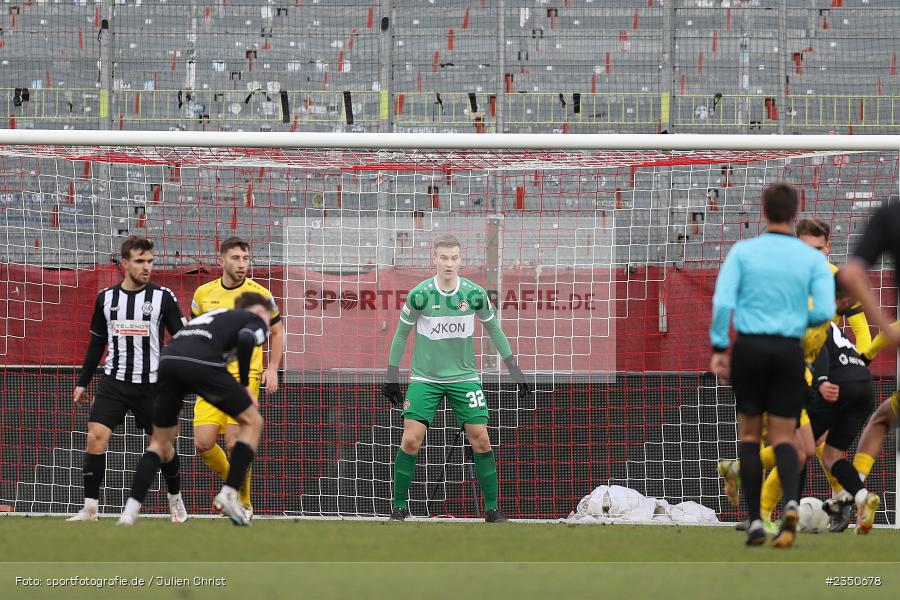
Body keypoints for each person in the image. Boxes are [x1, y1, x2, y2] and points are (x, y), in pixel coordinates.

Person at [710, 183, 834, 547]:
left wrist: (719, 347)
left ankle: (754, 521)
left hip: (749, 349)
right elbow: (826, 311)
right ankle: (792, 504)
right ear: (795, 213)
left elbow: (722, 302)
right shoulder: (812, 259)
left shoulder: (744, 251)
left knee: (749, 437)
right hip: (788, 352)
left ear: (763, 211)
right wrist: (797, 320)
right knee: (784, 438)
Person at [382, 234, 531, 522]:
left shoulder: (474, 294)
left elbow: (494, 329)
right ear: (434, 259)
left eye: (454, 258)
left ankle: (492, 510)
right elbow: (401, 334)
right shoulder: (420, 295)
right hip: (425, 379)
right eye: (444, 257)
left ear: (461, 260)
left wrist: (513, 366)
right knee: (411, 440)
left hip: (464, 378)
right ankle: (399, 506)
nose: (449, 263)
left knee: (482, 440)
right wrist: (391, 374)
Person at [117, 292, 273, 526]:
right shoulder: (253, 318)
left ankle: (129, 513)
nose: (268, 321)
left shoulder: (213, 316)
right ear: (258, 310)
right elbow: (245, 339)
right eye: (268, 315)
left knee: (159, 443)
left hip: (167, 362)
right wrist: (244, 386)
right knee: (253, 422)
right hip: (203, 364)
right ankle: (230, 494)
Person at [69, 236, 187, 523]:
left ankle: (175, 500)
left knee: (164, 447)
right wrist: (83, 381)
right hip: (114, 383)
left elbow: (183, 339)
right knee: (95, 437)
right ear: (124, 264)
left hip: (152, 387)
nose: (147, 267)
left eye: (150, 261)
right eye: (140, 261)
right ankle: (90, 510)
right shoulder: (106, 299)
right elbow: (97, 343)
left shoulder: (163, 297)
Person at [191, 237, 284, 519]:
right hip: (210, 376)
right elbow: (196, 330)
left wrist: (272, 368)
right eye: (235, 258)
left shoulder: (260, 295)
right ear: (221, 261)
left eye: (245, 258)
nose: (242, 264)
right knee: (203, 443)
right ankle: (232, 486)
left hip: (246, 378)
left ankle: (241, 500)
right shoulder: (203, 294)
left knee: (234, 443)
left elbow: (277, 332)